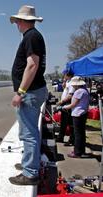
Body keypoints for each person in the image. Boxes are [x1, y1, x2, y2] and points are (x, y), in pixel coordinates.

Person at [8, 5, 48, 186]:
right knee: (30, 131)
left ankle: (30, 173)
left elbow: (32, 65)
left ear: (23, 21)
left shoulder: (31, 37)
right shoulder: (33, 37)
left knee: (28, 133)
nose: (16, 24)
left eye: (17, 21)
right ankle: (29, 163)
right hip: (34, 90)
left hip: (30, 92)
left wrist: (20, 92)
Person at [62, 76, 89, 158]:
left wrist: (64, 107)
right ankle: (82, 150)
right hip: (83, 113)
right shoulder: (85, 90)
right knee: (81, 133)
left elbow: (73, 104)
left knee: (77, 134)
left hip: (77, 114)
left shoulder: (78, 92)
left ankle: (77, 152)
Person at [56, 71, 75, 145]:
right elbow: (64, 88)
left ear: (68, 75)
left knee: (69, 122)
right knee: (63, 122)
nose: (63, 75)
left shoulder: (72, 83)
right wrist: (64, 81)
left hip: (68, 103)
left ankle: (72, 139)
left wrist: (61, 102)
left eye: (65, 75)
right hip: (64, 103)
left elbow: (70, 95)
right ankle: (61, 137)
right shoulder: (68, 82)